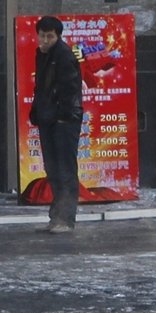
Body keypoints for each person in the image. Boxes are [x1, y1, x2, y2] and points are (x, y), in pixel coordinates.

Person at [29, 16, 83, 233]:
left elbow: (70, 89)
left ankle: (66, 219)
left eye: (49, 36)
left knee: (65, 169)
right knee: (52, 168)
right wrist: (37, 112)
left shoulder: (63, 55)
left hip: (64, 121)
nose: (44, 40)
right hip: (47, 118)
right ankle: (56, 217)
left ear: (57, 36)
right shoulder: (42, 55)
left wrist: (63, 115)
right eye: (41, 35)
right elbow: (41, 87)